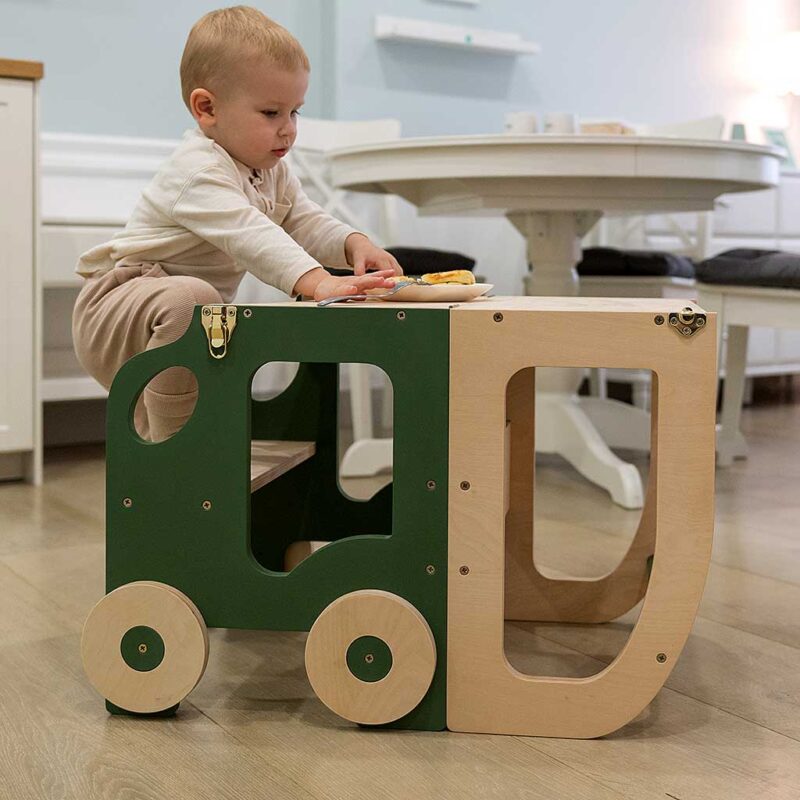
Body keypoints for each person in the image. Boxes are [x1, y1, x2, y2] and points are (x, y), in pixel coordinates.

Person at [72, 5, 401, 442]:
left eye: (295, 112)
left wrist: (352, 244)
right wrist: (318, 282)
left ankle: (191, 439)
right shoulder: (197, 170)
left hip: (184, 313)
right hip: (118, 306)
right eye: (271, 113)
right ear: (207, 108)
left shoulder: (271, 171)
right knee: (195, 298)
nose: (288, 130)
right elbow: (251, 233)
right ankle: (176, 452)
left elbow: (303, 219)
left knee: (205, 308)